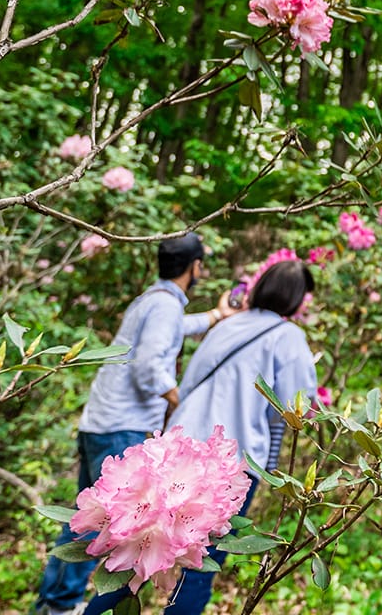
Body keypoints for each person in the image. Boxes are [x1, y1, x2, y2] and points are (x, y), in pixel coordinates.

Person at [84, 259, 319, 615]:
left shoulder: (227, 326)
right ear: (297, 300)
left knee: (136, 553)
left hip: (177, 452)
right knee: (199, 565)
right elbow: (297, 408)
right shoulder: (289, 337)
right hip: (230, 462)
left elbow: (190, 383)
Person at [35, 232, 237, 615]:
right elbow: (148, 368)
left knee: (83, 520)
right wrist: (181, 401)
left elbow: (172, 329)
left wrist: (214, 316)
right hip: (122, 427)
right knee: (111, 523)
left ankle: (53, 603)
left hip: (99, 421)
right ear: (195, 267)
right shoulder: (164, 307)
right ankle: (62, 606)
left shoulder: (152, 300)